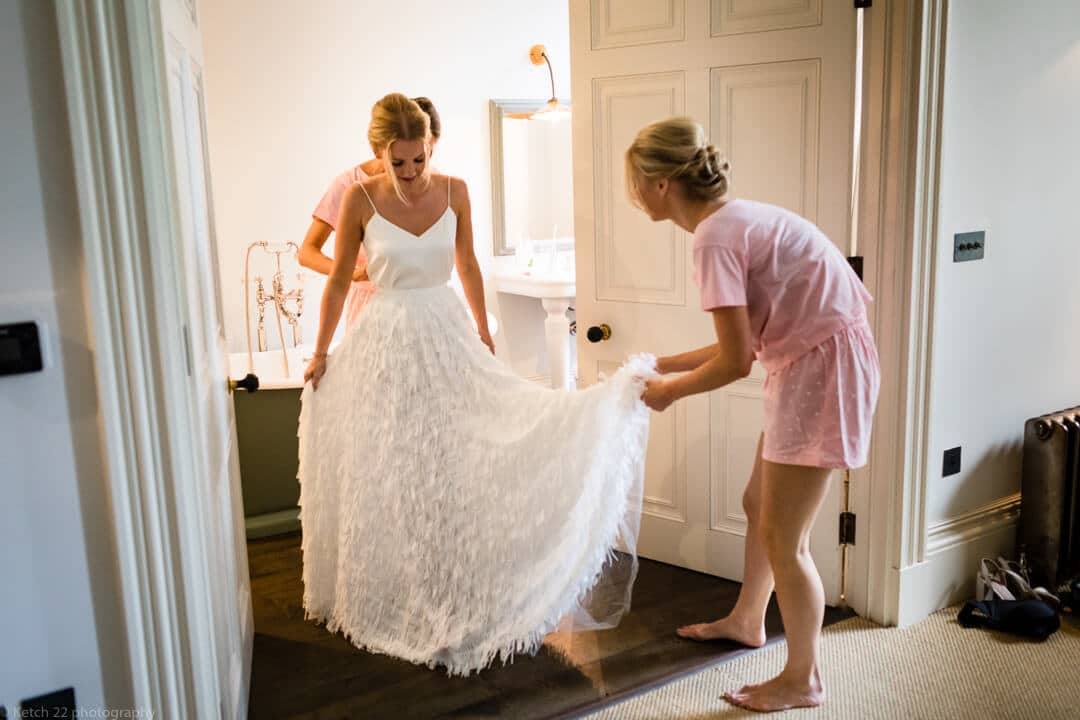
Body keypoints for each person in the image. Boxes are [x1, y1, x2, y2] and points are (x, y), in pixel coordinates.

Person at [297, 93, 653, 676]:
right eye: (399, 163)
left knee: (457, 448)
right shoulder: (359, 198)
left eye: (420, 160)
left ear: (431, 146)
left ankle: (452, 572)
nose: (411, 175)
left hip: (445, 329)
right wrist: (318, 352)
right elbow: (337, 282)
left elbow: (467, 264)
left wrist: (484, 330)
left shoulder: (455, 190)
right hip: (384, 336)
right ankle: (394, 578)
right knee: (390, 460)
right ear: (379, 155)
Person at [628, 117, 880, 712]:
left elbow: (736, 361)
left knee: (785, 538)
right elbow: (740, 344)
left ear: (662, 183)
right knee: (759, 505)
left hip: (820, 370)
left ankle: (803, 678)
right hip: (811, 361)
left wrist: (670, 390)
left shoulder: (713, 237)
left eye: (635, 181)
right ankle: (748, 619)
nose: (633, 194)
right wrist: (659, 362)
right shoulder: (738, 220)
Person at [298, 96, 441, 328]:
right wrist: (352, 273)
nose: (413, 170)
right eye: (400, 159)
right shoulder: (349, 186)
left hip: (420, 308)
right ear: (382, 148)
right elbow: (306, 252)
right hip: (370, 311)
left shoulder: (435, 184)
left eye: (423, 157)